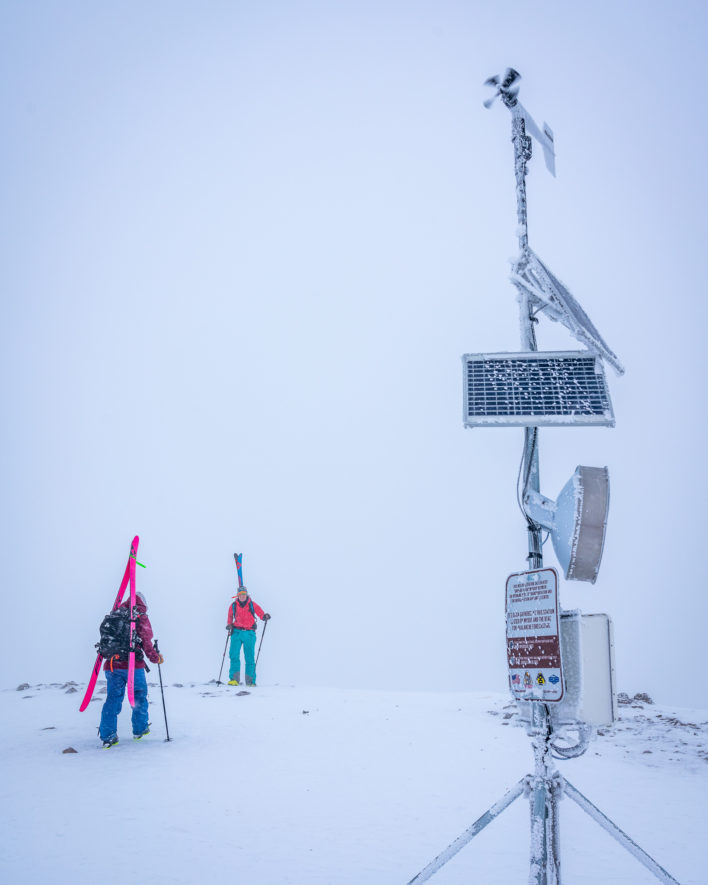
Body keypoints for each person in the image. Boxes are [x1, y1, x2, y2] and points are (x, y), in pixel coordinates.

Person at [98, 591, 163, 748]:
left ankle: (108, 735)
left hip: (112, 665)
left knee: (113, 699)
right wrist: (156, 658)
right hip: (133, 666)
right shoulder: (139, 616)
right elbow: (146, 642)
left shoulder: (116, 614)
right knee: (139, 696)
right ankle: (139, 729)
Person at [226, 586, 270, 686]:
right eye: (240, 594)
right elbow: (230, 617)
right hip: (236, 632)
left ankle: (250, 682)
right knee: (234, 655)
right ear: (238, 595)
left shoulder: (252, 604)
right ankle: (234, 680)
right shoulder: (233, 606)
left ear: (247, 594)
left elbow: (260, 613)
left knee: (249, 658)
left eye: (244, 594)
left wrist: (264, 616)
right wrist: (229, 625)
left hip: (249, 633)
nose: (242, 596)